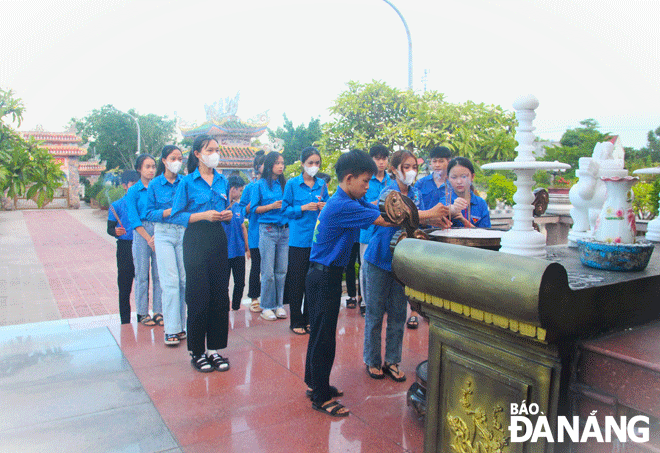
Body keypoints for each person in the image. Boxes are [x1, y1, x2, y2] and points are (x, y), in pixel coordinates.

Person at [305, 149, 401, 418]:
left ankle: (315, 384)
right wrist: (428, 214)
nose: (368, 187)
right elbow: (385, 218)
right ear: (349, 178)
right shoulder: (343, 205)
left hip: (321, 274)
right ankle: (321, 398)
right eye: (365, 181)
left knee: (320, 333)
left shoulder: (347, 199)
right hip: (324, 276)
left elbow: (376, 208)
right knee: (324, 338)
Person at [363, 150, 451, 382]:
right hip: (379, 258)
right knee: (374, 312)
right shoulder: (387, 192)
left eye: (414, 166)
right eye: (406, 166)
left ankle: (392, 360)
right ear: (394, 169)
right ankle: (372, 360)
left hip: (402, 260)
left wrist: (435, 218)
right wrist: (429, 213)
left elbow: (416, 219)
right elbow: (400, 216)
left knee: (398, 313)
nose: (411, 171)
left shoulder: (416, 193)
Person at [170, 134, 233, 373]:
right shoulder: (187, 183)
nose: (214, 154)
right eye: (210, 149)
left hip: (217, 238)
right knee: (198, 296)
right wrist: (202, 215)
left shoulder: (221, 180)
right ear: (197, 153)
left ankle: (214, 349)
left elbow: (224, 208)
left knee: (219, 295)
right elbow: (176, 215)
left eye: (217, 149)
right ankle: (197, 351)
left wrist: (225, 215)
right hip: (196, 239)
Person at [282, 147, 328, 335]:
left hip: (317, 241)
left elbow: (328, 208)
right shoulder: (292, 184)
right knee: (297, 281)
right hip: (298, 240)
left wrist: (324, 206)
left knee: (314, 281)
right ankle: (296, 320)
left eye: (317, 163)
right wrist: (302, 207)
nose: (314, 166)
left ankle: (310, 318)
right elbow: (284, 210)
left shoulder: (322, 184)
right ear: (302, 164)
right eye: (310, 163)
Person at [406, 145, 452, 329]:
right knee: (419, 273)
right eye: (434, 161)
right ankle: (415, 311)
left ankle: (441, 311)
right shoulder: (421, 184)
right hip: (424, 233)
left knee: (443, 273)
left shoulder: (454, 182)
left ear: (449, 161)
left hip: (446, 233)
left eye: (441, 160)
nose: (437, 164)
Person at [146, 145, 187, 346]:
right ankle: (170, 329)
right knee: (170, 282)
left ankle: (182, 325)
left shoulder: (185, 182)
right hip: (163, 233)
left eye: (180, 158)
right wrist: (169, 212)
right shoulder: (155, 185)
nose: (177, 161)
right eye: (173, 158)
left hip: (183, 232)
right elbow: (149, 213)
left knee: (184, 281)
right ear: (164, 160)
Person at [250, 151, 289, 321]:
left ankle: (279, 304)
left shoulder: (285, 185)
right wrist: (271, 206)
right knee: (268, 272)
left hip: (285, 229)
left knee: (281, 270)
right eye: (277, 163)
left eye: (282, 163)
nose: (281, 166)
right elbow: (253, 209)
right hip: (267, 230)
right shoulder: (259, 185)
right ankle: (266, 305)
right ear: (270, 165)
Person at [126, 154, 163, 326]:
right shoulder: (133, 191)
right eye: (147, 167)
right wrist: (149, 238)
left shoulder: (158, 188)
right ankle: (142, 312)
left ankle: (158, 311)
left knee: (159, 274)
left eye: (153, 166)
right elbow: (133, 219)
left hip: (159, 232)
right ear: (139, 169)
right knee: (142, 275)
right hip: (142, 234)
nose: (151, 170)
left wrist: (158, 235)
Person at [357, 145, 391, 316]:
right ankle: (365, 301)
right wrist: (378, 204)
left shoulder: (391, 181)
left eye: (384, 158)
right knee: (365, 267)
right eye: (377, 158)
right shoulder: (365, 180)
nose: (381, 162)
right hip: (368, 231)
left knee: (385, 265)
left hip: (386, 232)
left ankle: (381, 301)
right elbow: (361, 205)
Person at [107, 170, 140, 324]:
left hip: (141, 245)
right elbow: (110, 228)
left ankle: (142, 317)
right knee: (125, 287)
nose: (136, 187)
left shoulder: (143, 204)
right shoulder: (116, 206)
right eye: (133, 184)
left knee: (142, 283)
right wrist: (115, 231)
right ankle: (125, 321)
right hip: (125, 247)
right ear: (125, 186)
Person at [240, 151, 265, 313]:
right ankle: (254, 297)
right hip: (257, 233)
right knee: (257, 267)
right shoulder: (250, 187)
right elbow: (243, 210)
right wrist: (252, 205)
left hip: (277, 233)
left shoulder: (280, 186)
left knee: (274, 269)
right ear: (257, 167)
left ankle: (272, 298)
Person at [223, 175, 249, 311]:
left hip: (238, 250)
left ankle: (236, 306)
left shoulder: (238, 207)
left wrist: (247, 247)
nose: (240, 194)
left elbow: (242, 226)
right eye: (240, 190)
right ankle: (224, 307)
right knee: (224, 283)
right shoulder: (221, 205)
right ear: (233, 189)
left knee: (240, 282)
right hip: (224, 251)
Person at [446, 156, 491, 228]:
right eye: (454, 177)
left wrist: (462, 220)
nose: (459, 182)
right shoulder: (443, 200)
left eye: (464, 177)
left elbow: (485, 234)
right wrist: (450, 210)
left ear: (472, 177)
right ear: (448, 178)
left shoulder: (480, 204)